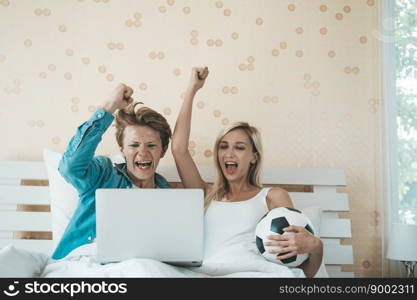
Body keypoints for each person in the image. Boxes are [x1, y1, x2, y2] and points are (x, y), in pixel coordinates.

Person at [171, 67, 323, 278]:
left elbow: (301, 267)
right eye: (223, 146)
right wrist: (192, 89)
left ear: (254, 156)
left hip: (252, 275)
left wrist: (316, 247)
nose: (229, 154)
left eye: (239, 147)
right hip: (204, 274)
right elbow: (178, 149)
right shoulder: (205, 193)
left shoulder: (272, 196)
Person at [52, 83, 172, 259]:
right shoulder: (104, 174)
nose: (143, 153)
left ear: (162, 151)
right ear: (122, 150)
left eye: (151, 145)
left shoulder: (168, 197)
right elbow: (70, 167)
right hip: (85, 264)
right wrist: (109, 107)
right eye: (133, 145)